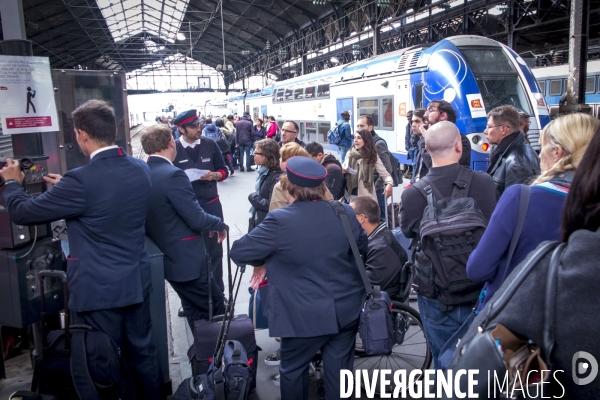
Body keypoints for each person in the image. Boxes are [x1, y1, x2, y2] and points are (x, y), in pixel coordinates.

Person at [0, 100, 161, 399]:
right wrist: (67, 191)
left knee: (101, 359)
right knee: (142, 353)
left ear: (81, 134)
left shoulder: (80, 181)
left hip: (99, 291)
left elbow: (23, 212)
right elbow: (108, 200)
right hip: (136, 281)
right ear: (112, 129)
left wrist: (12, 184)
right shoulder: (140, 168)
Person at [230, 156, 367, 400]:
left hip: (301, 315)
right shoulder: (344, 211)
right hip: (345, 309)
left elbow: (239, 251)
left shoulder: (280, 220)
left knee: (293, 371)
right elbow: (360, 247)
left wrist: (263, 262)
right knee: (340, 373)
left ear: (289, 186)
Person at [467, 113, 599, 312]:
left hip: (516, 321)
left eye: (543, 147)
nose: (538, 155)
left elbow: (478, 269)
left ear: (557, 152)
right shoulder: (591, 202)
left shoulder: (522, 197)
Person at [399, 121, 497, 369]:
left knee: (445, 361)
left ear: (427, 150)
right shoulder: (484, 182)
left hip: (436, 293)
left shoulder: (412, 194)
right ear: (459, 147)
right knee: (480, 364)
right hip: (480, 291)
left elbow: (410, 232)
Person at [141, 124, 228, 330]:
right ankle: (216, 357)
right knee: (216, 308)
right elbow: (196, 218)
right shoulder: (173, 175)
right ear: (171, 142)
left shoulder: (143, 171)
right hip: (187, 260)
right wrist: (219, 224)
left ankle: (201, 355)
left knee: (194, 311)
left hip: (167, 257)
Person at [173, 109, 229, 295]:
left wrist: (215, 175)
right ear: (181, 129)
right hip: (185, 208)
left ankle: (218, 294)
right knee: (189, 254)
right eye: (193, 126)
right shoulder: (174, 149)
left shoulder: (210, 144)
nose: (199, 128)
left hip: (211, 205)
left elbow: (224, 170)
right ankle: (193, 297)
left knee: (214, 252)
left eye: (199, 124)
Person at [350, 196, 408, 299]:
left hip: (379, 303)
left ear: (361, 218)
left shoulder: (380, 249)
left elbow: (367, 287)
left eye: (349, 215)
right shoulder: (379, 232)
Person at [485, 105, 541, 199]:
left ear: (504, 129)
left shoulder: (517, 163)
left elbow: (515, 206)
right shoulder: (506, 151)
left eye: (489, 127)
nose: (485, 131)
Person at [269, 143, 334, 211]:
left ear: (288, 161)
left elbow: (276, 214)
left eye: (282, 157)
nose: (279, 159)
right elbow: (330, 202)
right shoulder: (317, 182)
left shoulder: (282, 185)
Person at [356, 115, 394, 219]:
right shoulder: (360, 145)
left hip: (376, 189)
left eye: (362, 126)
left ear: (370, 128)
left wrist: (376, 187)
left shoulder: (378, 144)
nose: (359, 128)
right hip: (364, 189)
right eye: (358, 125)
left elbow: (387, 168)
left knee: (379, 219)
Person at [342, 129, 393, 202]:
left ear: (366, 140)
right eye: (355, 137)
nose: (355, 140)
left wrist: (389, 184)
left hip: (364, 197)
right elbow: (344, 166)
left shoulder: (372, 156)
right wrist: (343, 170)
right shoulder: (350, 153)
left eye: (359, 138)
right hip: (348, 195)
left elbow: (385, 174)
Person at [423, 100, 472, 168]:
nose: (425, 115)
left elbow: (434, 166)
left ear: (443, 116)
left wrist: (426, 139)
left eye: (430, 110)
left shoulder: (460, 140)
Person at [249, 139, 283, 227]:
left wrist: (253, 197)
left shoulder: (276, 177)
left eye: (256, 152)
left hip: (267, 223)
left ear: (265, 156)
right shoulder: (264, 171)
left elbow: (273, 204)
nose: (253, 154)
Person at [409, 108, 427, 185]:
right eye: (412, 121)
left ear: (426, 123)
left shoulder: (429, 143)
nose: (413, 125)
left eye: (417, 121)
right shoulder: (420, 142)